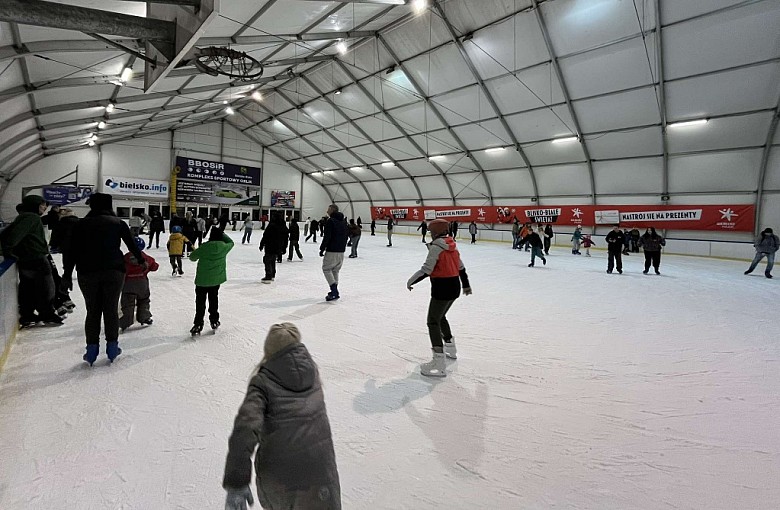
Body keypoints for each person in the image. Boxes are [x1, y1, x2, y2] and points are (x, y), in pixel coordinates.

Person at [222, 323, 341, 510]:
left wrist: (236, 483)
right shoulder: (312, 372)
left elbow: (245, 428)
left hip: (283, 481)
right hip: (323, 475)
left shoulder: (262, 382)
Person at [63, 193, 144, 365]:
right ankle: (112, 347)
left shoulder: (80, 224)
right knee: (110, 309)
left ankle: (91, 349)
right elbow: (132, 245)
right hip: (114, 271)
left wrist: (67, 275)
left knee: (93, 311)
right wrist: (142, 260)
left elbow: (70, 251)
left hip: (87, 271)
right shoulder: (117, 223)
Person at [407, 219, 472, 377]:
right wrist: (466, 285)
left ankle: (439, 362)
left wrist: (410, 281)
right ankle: (450, 347)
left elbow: (427, 269)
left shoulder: (436, 247)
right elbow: (461, 268)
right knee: (440, 316)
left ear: (436, 232)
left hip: (442, 289)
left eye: (431, 232)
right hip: (454, 288)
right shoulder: (452, 246)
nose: (430, 234)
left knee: (432, 321)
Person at [0, 195, 63, 327]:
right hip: (36, 258)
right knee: (46, 287)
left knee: (28, 287)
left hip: (28, 258)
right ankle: (46, 313)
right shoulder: (31, 217)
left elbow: (7, 234)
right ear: (34, 205)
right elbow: (14, 236)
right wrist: (8, 250)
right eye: (42, 205)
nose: (45, 208)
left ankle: (27, 313)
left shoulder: (24, 217)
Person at [189, 228, 234, 335]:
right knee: (213, 299)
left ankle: (198, 323)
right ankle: (214, 320)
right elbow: (231, 242)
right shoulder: (224, 247)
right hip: (215, 280)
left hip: (202, 280)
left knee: (200, 302)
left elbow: (192, 257)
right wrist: (222, 234)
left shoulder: (204, 247)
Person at [120, 237, 159, 332]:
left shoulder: (125, 258)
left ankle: (125, 321)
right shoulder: (146, 258)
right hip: (142, 283)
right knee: (144, 301)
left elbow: (120, 268)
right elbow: (155, 266)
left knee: (128, 304)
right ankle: (144, 317)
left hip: (128, 284)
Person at [319, 204, 348, 301]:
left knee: (326, 269)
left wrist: (322, 248)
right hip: (341, 251)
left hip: (332, 250)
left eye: (328, 209)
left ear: (332, 210)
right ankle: (334, 291)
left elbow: (327, 236)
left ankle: (334, 291)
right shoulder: (343, 222)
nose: (327, 210)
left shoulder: (330, 221)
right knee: (335, 270)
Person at [259, 213, 288, 283]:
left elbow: (265, 235)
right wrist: (284, 247)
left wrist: (262, 244)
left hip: (270, 245)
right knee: (273, 260)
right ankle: (272, 274)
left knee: (268, 260)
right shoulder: (283, 226)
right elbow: (286, 237)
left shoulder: (271, 225)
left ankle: (268, 275)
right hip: (278, 246)